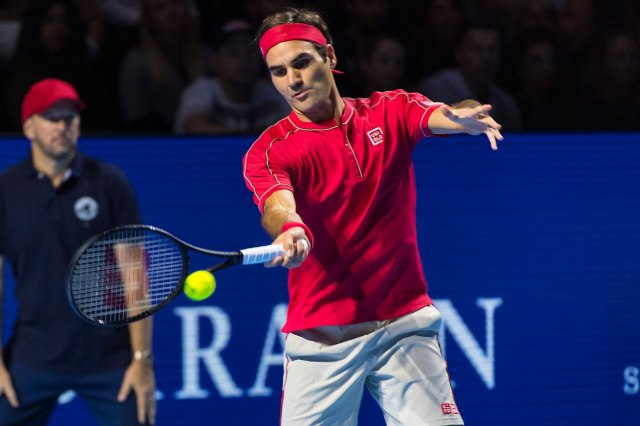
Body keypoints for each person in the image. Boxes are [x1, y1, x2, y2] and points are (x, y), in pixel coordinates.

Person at [242, 7, 503, 425]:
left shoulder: (389, 111)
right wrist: (289, 227)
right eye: (278, 71)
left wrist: (465, 118)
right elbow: (276, 203)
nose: (292, 80)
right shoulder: (272, 150)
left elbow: (445, 113)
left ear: (329, 56)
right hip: (321, 337)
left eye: (302, 63)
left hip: (404, 325)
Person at [0, 78, 156, 425]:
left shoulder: (109, 182)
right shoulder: (5, 190)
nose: (62, 126)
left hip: (110, 359)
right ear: (29, 128)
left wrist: (142, 360)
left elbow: (136, 279)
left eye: (69, 117)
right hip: (32, 357)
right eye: (51, 118)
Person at [174, 18, 289, 134]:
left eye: (249, 52)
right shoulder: (201, 89)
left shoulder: (277, 93)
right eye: (232, 53)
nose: (243, 61)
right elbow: (193, 127)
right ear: (215, 60)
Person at [418, 19, 523, 131]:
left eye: (492, 50)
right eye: (476, 49)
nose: (486, 58)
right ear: (459, 54)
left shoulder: (507, 104)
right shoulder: (434, 92)